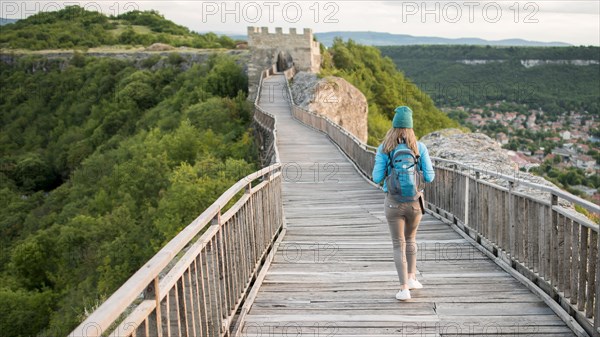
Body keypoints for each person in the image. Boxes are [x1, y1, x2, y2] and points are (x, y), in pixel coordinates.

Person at [372, 106, 435, 301]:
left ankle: (403, 289)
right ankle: (412, 278)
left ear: (394, 126)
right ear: (411, 127)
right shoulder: (419, 147)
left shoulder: (385, 148)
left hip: (393, 203)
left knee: (398, 244)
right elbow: (430, 177)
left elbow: (376, 177)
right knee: (411, 239)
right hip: (415, 203)